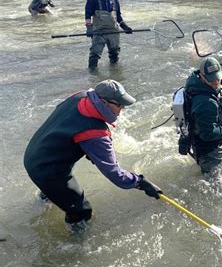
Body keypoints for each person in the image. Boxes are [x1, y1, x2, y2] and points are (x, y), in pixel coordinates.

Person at [24, 80, 162, 231]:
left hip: (34, 152)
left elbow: (68, 123)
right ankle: (74, 250)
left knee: (56, 190)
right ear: (103, 102)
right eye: (119, 104)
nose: (123, 108)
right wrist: (140, 182)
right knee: (82, 211)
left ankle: (46, 199)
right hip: (46, 169)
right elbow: (114, 174)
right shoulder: (95, 133)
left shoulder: (80, 96)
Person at [184, 57, 222, 174]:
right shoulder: (206, 103)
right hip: (210, 152)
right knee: (216, 182)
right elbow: (208, 133)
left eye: (218, 79)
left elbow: (216, 79)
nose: (216, 82)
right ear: (202, 77)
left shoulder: (194, 81)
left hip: (200, 145)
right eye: (213, 81)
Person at [85, 0, 133, 70]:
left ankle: (114, 71)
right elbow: (87, 15)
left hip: (113, 31)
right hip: (99, 32)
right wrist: (89, 28)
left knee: (114, 54)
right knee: (95, 54)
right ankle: (93, 74)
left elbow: (118, 16)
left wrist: (125, 27)